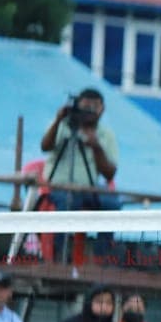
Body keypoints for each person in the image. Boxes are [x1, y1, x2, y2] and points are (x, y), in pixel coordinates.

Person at [39, 88, 120, 259]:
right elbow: (45, 146)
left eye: (94, 108)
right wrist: (58, 120)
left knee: (112, 205)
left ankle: (102, 257)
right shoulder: (63, 125)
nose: (89, 113)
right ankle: (57, 256)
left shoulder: (106, 135)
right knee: (68, 203)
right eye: (85, 108)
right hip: (58, 186)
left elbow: (110, 174)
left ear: (102, 110)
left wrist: (96, 146)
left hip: (89, 188)